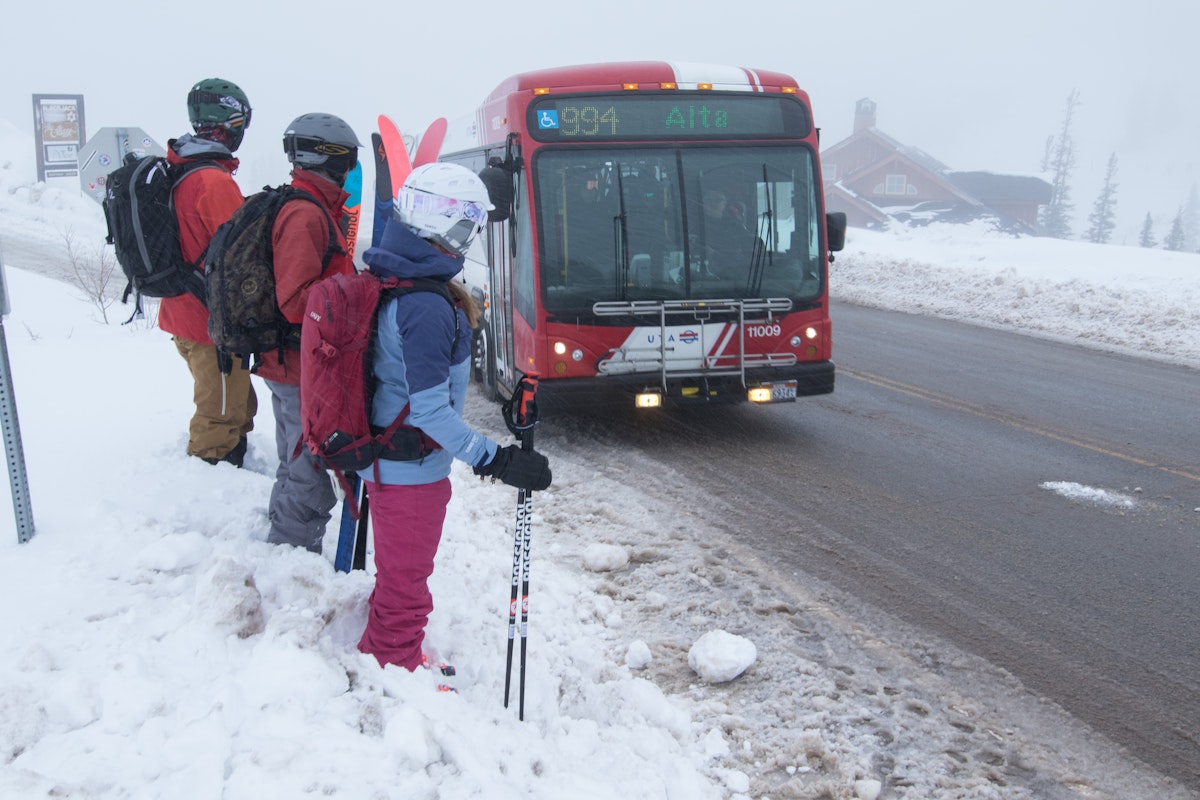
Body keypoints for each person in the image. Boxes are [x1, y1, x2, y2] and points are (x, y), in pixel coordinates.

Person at [357, 163, 552, 672]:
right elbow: (428, 410)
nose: (471, 237)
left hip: (394, 461)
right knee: (407, 579)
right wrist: (496, 460)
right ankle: (392, 666)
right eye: (469, 224)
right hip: (409, 469)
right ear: (445, 223)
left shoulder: (401, 272)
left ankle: (391, 649)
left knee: (400, 570)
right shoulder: (425, 304)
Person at [257, 113, 361, 552]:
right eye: (347, 161)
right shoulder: (305, 215)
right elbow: (298, 300)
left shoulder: (312, 206)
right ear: (330, 158)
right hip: (299, 365)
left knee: (297, 461)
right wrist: (355, 297)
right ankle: (290, 554)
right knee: (311, 469)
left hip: (293, 362)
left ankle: (282, 545)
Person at [162, 78, 257, 467]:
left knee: (237, 404)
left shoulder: (183, 169)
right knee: (219, 421)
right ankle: (207, 489)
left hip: (186, 313)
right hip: (208, 325)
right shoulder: (212, 181)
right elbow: (240, 255)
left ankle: (232, 472)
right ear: (228, 123)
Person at [696, 187, 757, 277]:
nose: (713, 203)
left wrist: (714, 254)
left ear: (724, 204)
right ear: (703, 203)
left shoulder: (735, 225)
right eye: (709, 200)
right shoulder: (693, 223)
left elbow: (743, 254)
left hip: (729, 275)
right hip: (696, 274)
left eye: (717, 200)